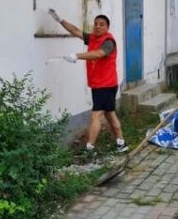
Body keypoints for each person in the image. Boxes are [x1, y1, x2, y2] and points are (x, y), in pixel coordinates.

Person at [48, 9, 128, 153]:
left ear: (107, 27)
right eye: (96, 24)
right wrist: (60, 20)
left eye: (101, 24)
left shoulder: (108, 41)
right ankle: (121, 143)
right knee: (110, 114)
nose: (97, 26)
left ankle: (89, 148)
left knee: (96, 115)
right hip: (99, 84)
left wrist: (76, 56)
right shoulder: (92, 38)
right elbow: (76, 31)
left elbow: (98, 54)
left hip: (105, 84)